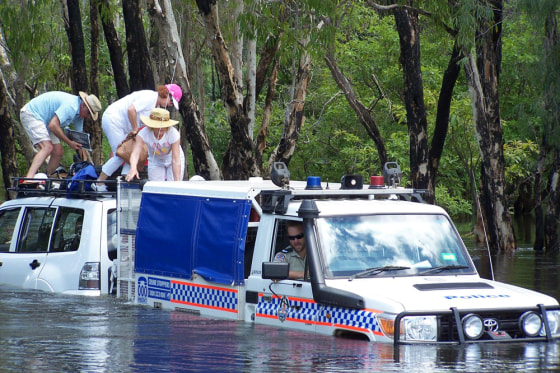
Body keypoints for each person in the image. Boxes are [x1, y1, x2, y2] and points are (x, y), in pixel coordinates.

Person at [92, 84, 182, 191]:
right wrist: (135, 128)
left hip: (125, 126)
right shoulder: (150, 97)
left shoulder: (156, 107)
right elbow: (131, 109)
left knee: (131, 154)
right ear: (167, 95)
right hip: (114, 120)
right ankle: (99, 183)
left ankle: (126, 183)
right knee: (120, 154)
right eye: (171, 102)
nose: (170, 105)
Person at [20, 91, 102, 179]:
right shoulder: (71, 106)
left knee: (58, 151)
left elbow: (80, 140)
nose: (89, 116)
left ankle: (48, 178)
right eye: (89, 113)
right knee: (47, 147)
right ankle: (29, 178)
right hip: (32, 114)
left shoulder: (79, 115)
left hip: (47, 121)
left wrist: (85, 163)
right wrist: (70, 143)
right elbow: (53, 125)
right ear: (83, 106)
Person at [125, 108, 185, 182]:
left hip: (173, 159)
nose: (161, 128)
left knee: (172, 185)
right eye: (158, 126)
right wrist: (133, 168)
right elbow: (135, 153)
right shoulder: (143, 134)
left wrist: (177, 182)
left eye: (163, 125)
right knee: (155, 186)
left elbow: (175, 160)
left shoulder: (173, 134)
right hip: (155, 160)